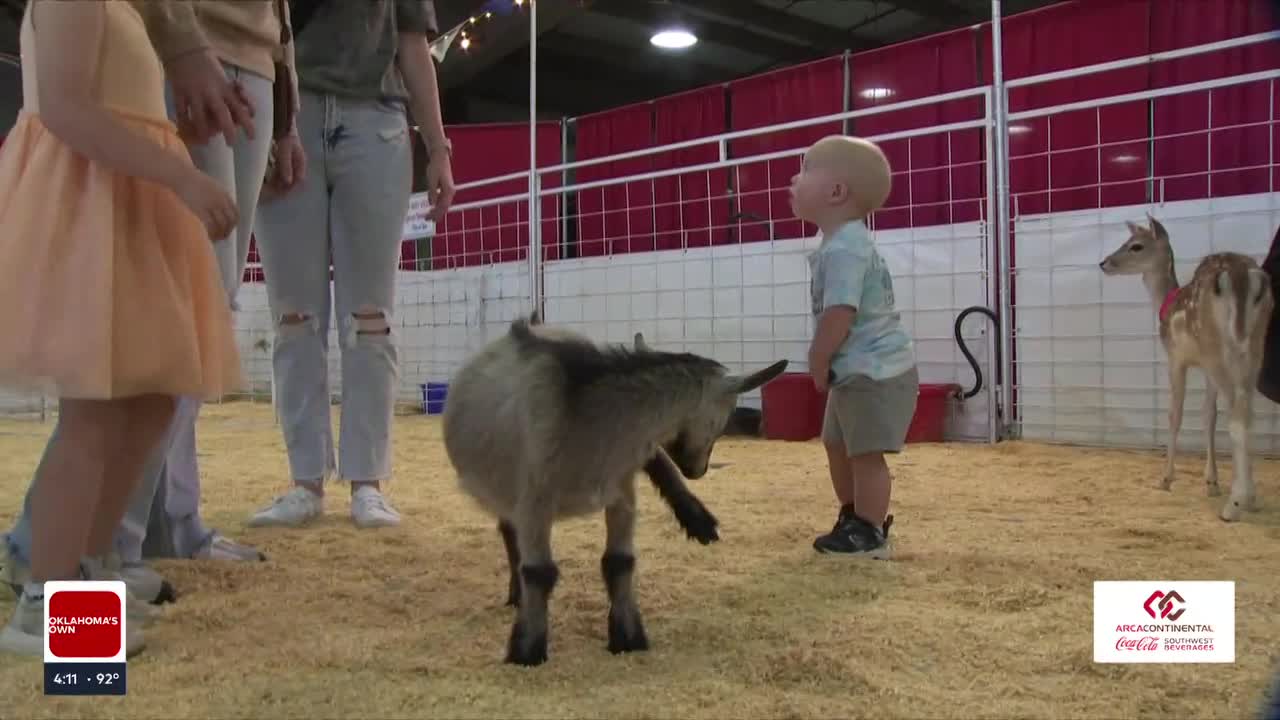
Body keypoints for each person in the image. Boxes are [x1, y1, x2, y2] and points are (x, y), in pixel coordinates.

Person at [0, 0, 298, 608]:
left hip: (129, 214)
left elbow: (117, 103)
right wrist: (180, 173)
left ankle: (94, 562)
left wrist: (173, 140)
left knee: (153, 399)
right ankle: (50, 606)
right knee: (96, 414)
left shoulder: (127, 11)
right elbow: (65, 109)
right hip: (86, 217)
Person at [246, 0, 455, 529]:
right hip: (286, 111)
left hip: (377, 117)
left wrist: (438, 147)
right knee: (294, 315)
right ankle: (305, 480)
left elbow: (413, 44)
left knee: (371, 316)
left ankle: (368, 481)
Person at [789, 134, 918, 559]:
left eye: (806, 169)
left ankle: (869, 531)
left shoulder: (845, 248)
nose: (794, 178)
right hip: (858, 369)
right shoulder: (840, 243)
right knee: (837, 443)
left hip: (874, 370)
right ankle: (853, 517)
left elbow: (839, 313)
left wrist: (818, 356)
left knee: (865, 453)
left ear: (836, 191)